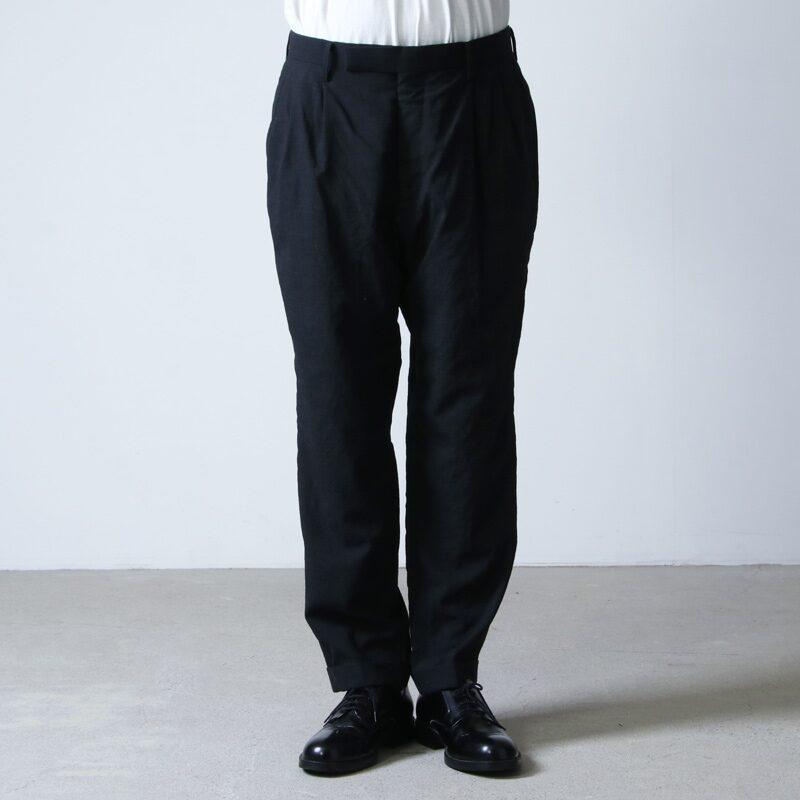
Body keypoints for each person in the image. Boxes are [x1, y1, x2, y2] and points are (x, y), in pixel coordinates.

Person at [266, 0, 538, 775]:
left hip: (471, 92)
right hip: (330, 92)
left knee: (469, 394)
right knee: (336, 395)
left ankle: (451, 679)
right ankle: (366, 681)